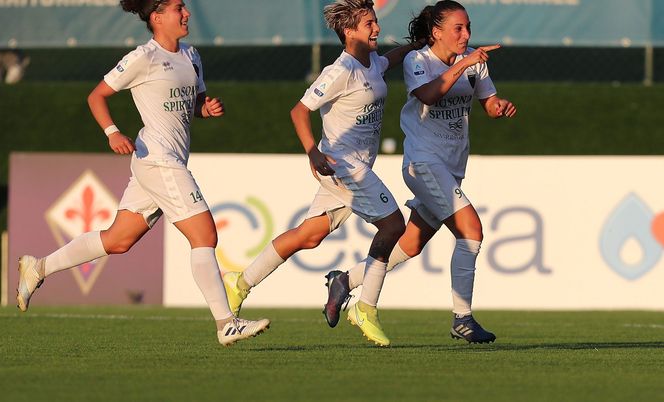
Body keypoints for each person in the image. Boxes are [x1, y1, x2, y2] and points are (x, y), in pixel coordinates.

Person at [16, 0, 269, 347]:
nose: (186, 14)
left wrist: (205, 109)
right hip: (158, 159)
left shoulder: (192, 56)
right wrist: (112, 132)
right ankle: (226, 323)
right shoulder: (142, 58)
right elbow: (97, 96)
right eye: (178, 8)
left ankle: (38, 267)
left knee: (118, 240)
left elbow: (192, 103)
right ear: (157, 16)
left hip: (166, 160)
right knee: (205, 235)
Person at [221, 0, 420, 347]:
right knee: (393, 225)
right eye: (369, 24)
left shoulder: (372, 61)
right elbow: (299, 111)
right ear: (349, 31)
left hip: (356, 165)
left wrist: (416, 46)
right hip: (341, 164)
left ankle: (240, 282)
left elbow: (391, 58)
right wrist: (312, 150)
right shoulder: (339, 71)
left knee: (309, 235)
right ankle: (365, 308)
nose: (376, 29)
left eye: (375, 22)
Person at [323, 0, 517, 344]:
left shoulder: (474, 61)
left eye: (468, 27)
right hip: (423, 164)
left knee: (410, 244)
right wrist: (464, 64)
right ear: (436, 32)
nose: (466, 34)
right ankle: (463, 318)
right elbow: (428, 95)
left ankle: (345, 281)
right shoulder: (418, 60)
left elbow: (488, 103)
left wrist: (498, 107)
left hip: (453, 166)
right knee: (471, 230)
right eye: (458, 28)